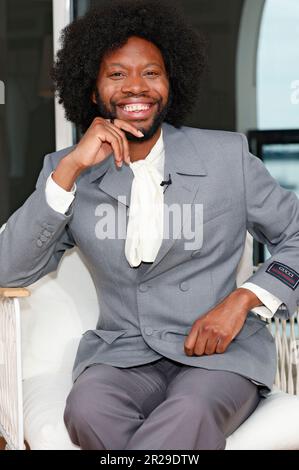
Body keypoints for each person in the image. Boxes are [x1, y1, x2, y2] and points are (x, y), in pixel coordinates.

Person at [1, 0, 299, 450]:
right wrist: (70, 172)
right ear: (92, 89)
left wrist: (244, 299)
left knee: (190, 412)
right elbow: (9, 270)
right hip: (120, 357)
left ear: (171, 83)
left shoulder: (226, 158)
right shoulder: (65, 170)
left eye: (152, 73)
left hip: (218, 359)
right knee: (86, 410)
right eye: (116, 74)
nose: (135, 87)